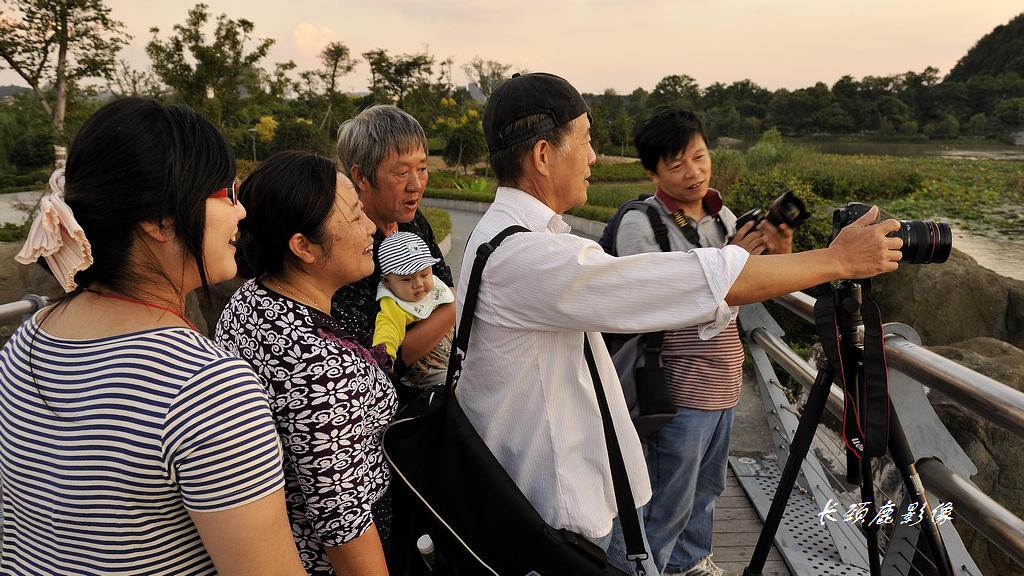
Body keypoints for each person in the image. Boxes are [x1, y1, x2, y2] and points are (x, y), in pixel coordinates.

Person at [457, 72, 903, 576]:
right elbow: (688, 283)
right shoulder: (528, 255)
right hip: (545, 514)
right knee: (656, 526)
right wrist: (838, 260)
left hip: (549, 491)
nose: (594, 157)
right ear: (542, 154)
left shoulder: (512, 236)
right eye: (585, 141)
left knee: (696, 497)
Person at [0, 98, 304, 575]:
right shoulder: (207, 388)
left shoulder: (29, 341)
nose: (241, 211)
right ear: (159, 219)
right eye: (225, 193)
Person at [616, 106, 791, 576]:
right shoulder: (642, 224)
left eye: (699, 156)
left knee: (707, 490)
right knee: (667, 496)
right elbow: (650, 302)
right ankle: (645, 569)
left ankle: (690, 565)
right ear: (653, 171)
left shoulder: (721, 214)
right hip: (675, 387)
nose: (693, 172)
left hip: (723, 382)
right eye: (676, 164)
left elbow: (747, 285)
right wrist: (733, 258)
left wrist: (778, 253)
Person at [214, 151, 396, 576]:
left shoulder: (251, 300)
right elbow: (343, 526)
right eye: (355, 217)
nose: (371, 227)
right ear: (303, 247)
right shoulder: (319, 366)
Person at [331, 105, 455, 402]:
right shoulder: (350, 247)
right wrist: (454, 308)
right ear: (360, 177)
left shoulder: (412, 221)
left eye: (422, 169)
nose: (416, 185)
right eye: (402, 172)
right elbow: (387, 358)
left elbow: (443, 283)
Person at [374, 231, 455, 390]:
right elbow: (388, 328)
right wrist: (385, 356)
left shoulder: (434, 288)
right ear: (386, 281)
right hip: (426, 371)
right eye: (407, 279)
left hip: (450, 354)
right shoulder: (393, 304)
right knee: (456, 392)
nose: (418, 283)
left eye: (424, 274)